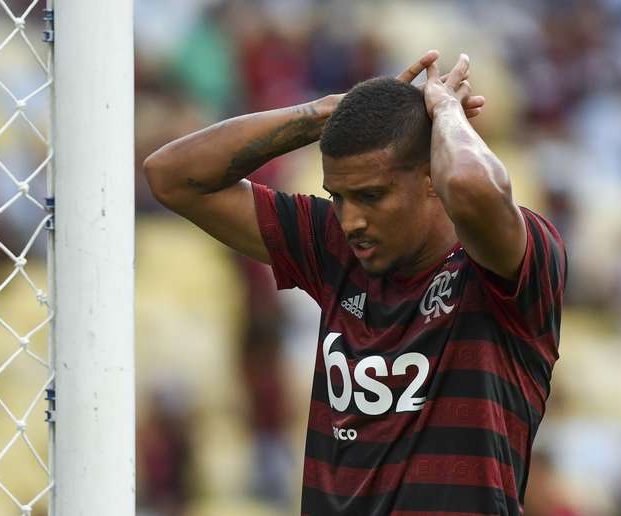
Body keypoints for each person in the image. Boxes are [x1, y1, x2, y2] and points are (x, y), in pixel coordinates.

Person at [143, 50, 566, 515]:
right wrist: (325, 112)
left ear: (431, 179)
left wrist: (444, 109)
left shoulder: (510, 265)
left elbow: (469, 185)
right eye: (338, 198)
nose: (351, 220)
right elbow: (171, 176)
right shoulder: (335, 249)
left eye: (370, 196)